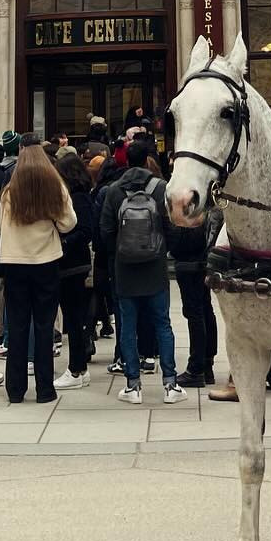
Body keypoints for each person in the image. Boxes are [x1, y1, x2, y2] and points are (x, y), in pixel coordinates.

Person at [98, 139, 184, 406]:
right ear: (148, 158)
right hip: (155, 268)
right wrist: (161, 250)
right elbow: (172, 228)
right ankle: (170, 384)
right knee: (162, 324)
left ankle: (133, 385)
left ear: (125, 160)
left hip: (125, 270)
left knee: (127, 327)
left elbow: (106, 232)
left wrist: (120, 253)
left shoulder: (113, 191)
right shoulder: (160, 188)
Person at [0, 142, 75, 404]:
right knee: (44, 325)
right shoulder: (54, 188)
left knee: (17, 325)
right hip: (45, 262)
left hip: (14, 263)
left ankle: (15, 389)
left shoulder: (9, 191)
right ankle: (45, 389)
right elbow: (69, 223)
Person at [53, 150, 97, 391]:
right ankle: (79, 368)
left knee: (73, 317)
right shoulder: (79, 196)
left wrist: (64, 242)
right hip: (73, 263)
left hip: (73, 264)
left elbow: (85, 230)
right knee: (74, 316)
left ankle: (76, 368)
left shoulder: (78, 198)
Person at [169, 200, 219, 388]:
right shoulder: (210, 208)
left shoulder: (190, 208)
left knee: (195, 313)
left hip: (189, 266)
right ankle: (207, 364)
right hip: (205, 264)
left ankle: (196, 367)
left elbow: (180, 241)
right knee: (205, 309)